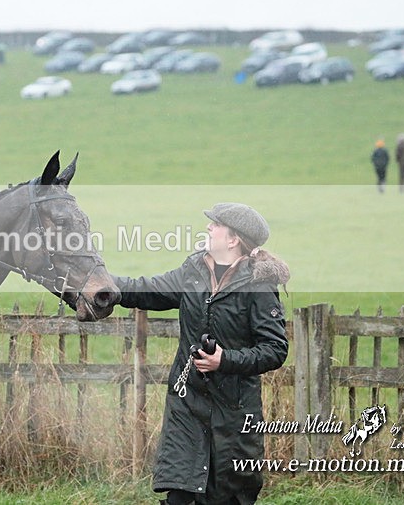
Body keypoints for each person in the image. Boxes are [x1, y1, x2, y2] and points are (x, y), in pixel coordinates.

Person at [113, 203, 289, 505]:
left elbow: (275, 349)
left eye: (215, 225)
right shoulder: (192, 271)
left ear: (233, 240)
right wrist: (98, 284)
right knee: (179, 495)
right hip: (187, 404)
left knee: (225, 498)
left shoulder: (258, 286)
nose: (208, 228)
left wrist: (225, 360)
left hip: (233, 412)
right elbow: (145, 289)